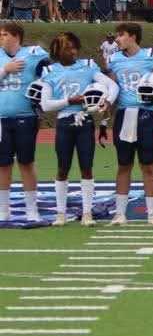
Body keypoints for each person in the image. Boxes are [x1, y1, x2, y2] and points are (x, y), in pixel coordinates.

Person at [40, 32, 118, 226]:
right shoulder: (49, 71)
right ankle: (60, 214)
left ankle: (87, 213)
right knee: (62, 168)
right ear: (58, 50)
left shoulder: (88, 66)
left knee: (87, 167)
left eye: (75, 47)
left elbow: (112, 86)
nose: (73, 51)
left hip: (85, 122)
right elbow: (45, 105)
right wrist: (69, 100)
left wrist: (107, 101)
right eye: (68, 48)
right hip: (64, 122)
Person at [103, 23, 153, 226]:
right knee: (123, 165)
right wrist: (105, 118)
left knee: (148, 165)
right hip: (124, 114)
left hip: (146, 115)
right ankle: (120, 214)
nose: (117, 39)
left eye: (121, 35)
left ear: (133, 36)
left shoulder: (152, 56)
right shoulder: (114, 59)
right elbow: (112, 91)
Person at [0, 23, 50, 222]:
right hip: (1, 119)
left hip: (26, 117)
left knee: (26, 162)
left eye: (5, 34)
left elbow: (51, 74)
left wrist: (41, 84)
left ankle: (31, 209)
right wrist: (5, 70)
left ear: (17, 36)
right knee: (3, 164)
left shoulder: (34, 53)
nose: (1, 37)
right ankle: (3, 209)